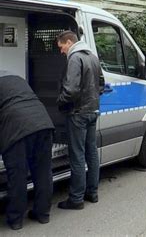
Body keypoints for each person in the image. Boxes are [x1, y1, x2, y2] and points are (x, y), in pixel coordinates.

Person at [0, 71, 55, 230]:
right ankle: (43, 214)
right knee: (43, 172)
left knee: (18, 174)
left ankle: (16, 220)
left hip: (18, 129)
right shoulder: (16, 78)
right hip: (44, 123)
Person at [56, 30, 104, 210]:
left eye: (61, 47)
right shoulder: (92, 56)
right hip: (92, 110)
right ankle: (92, 193)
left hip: (78, 113)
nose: (61, 51)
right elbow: (101, 84)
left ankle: (76, 199)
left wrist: (59, 102)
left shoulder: (75, 58)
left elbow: (71, 90)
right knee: (91, 153)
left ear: (69, 42)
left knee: (77, 156)